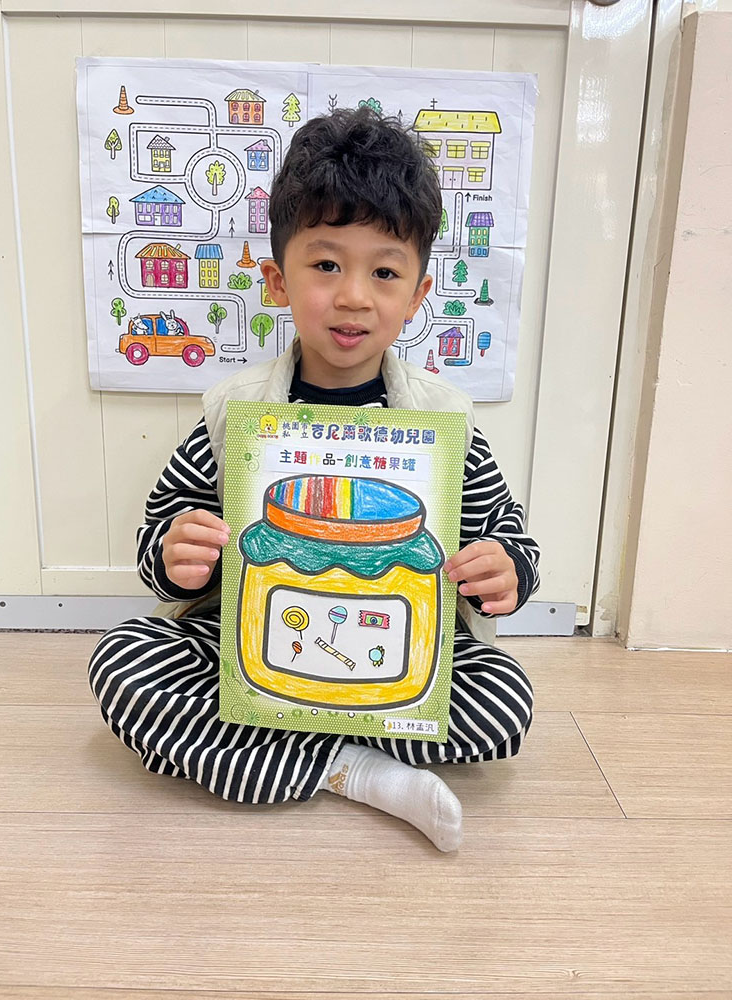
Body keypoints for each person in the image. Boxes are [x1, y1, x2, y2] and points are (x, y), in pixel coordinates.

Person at [89, 108, 539, 852]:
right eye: (326, 265)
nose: (354, 295)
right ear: (277, 280)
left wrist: (506, 570)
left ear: (417, 295)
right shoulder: (235, 415)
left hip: (399, 646)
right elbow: (163, 530)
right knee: (124, 663)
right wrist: (175, 552)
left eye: (384, 272)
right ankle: (350, 769)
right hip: (249, 639)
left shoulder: (445, 423)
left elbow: (506, 534)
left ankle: (277, 750)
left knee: (504, 700)